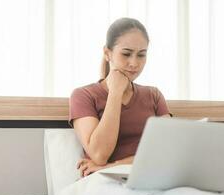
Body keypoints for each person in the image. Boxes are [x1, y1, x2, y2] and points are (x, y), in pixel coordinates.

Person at [69, 17, 171, 178]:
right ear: (107, 53)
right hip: (105, 181)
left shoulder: (154, 95)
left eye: (141, 55)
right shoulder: (83, 96)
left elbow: (168, 151)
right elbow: (99, 154)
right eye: (126, 54)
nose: (134, 63)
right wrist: (115, 93)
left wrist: (112, 166)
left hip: (149, 177)